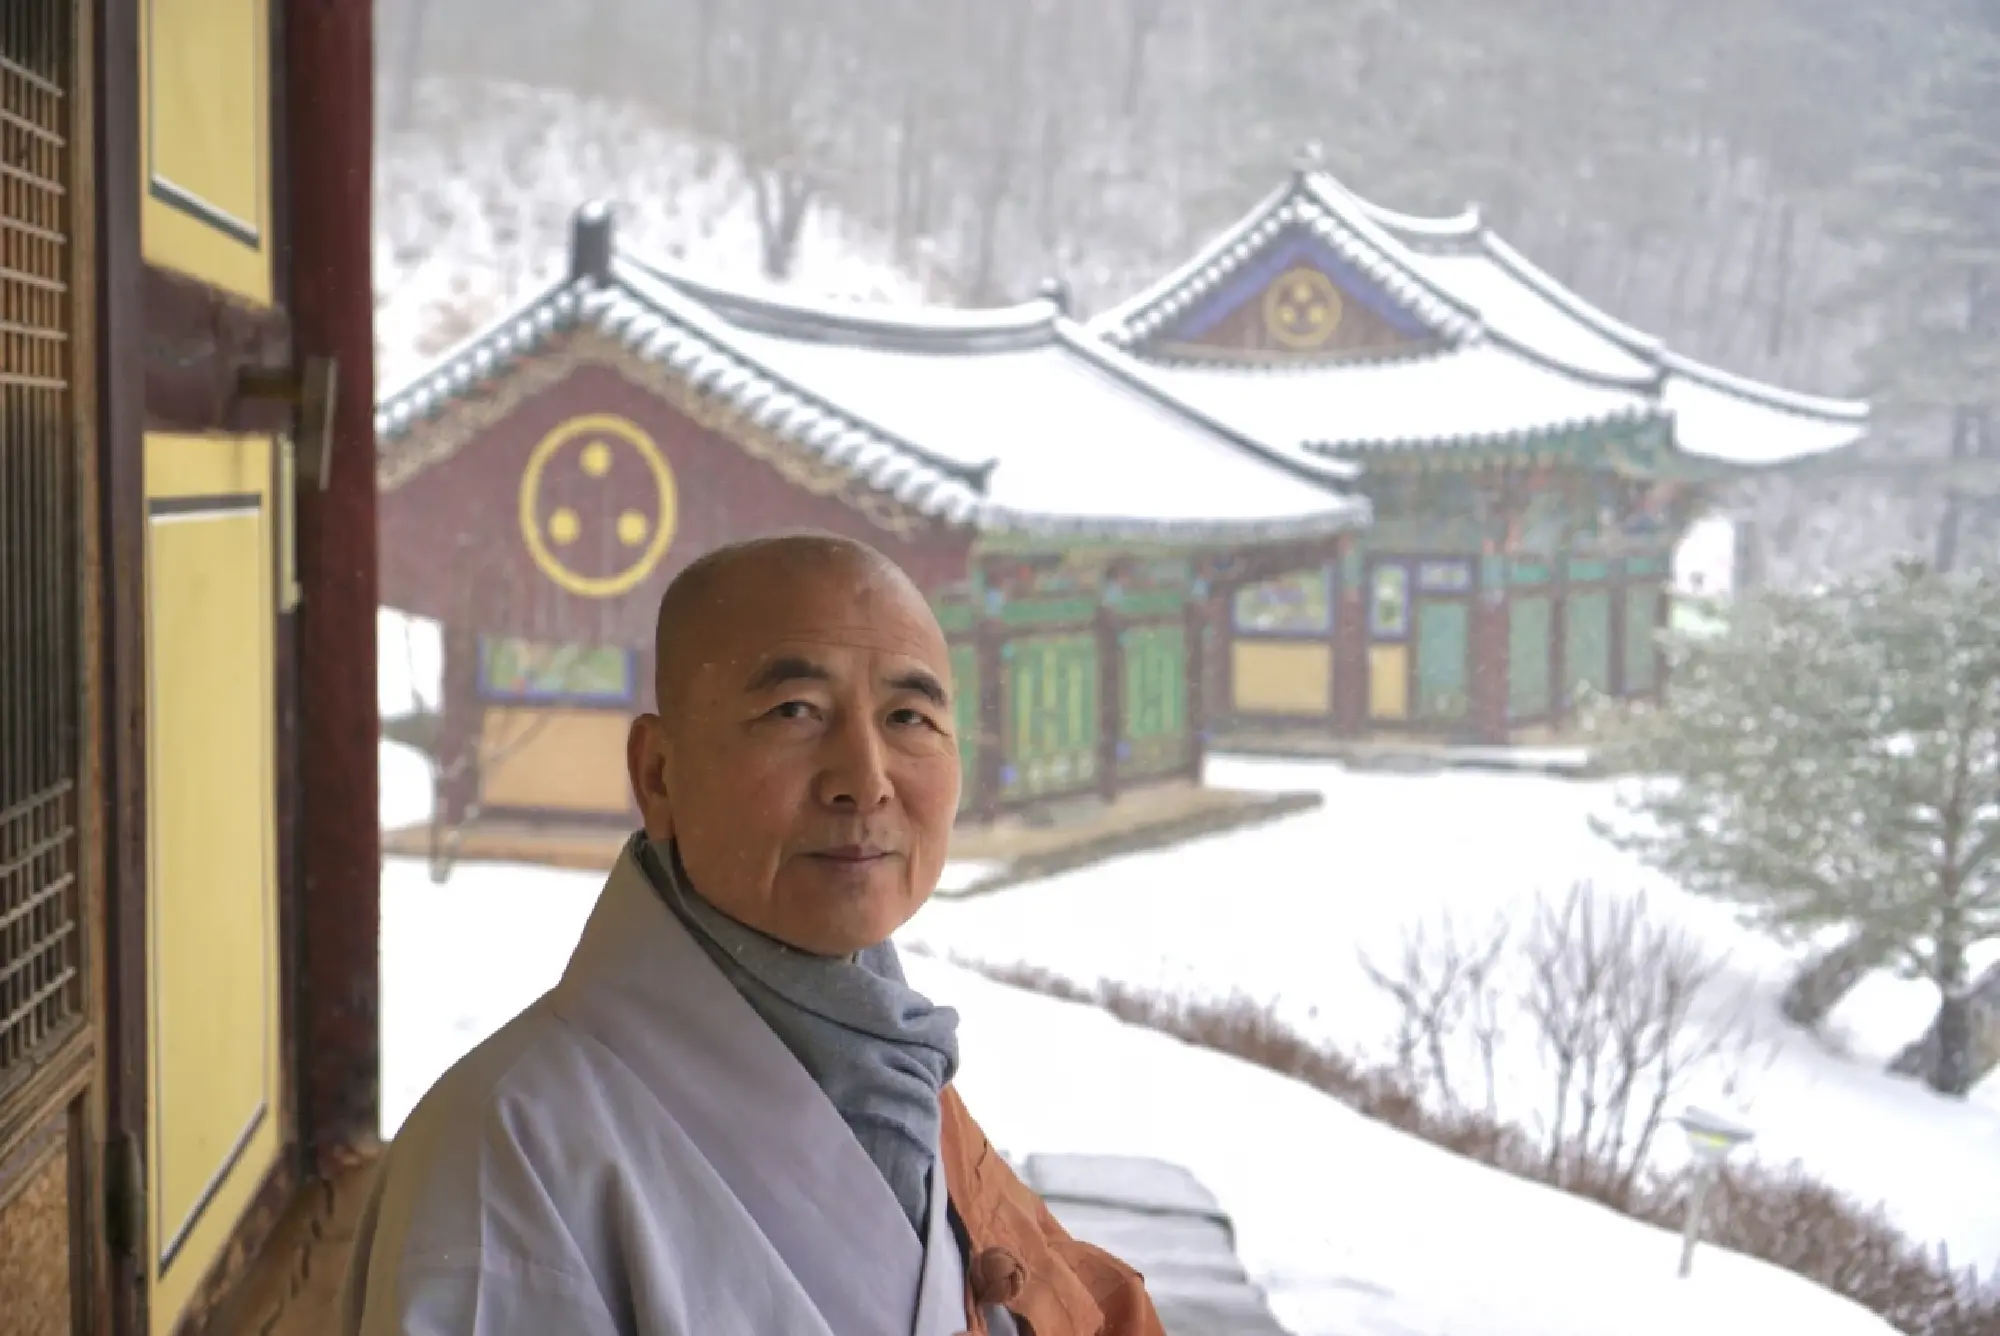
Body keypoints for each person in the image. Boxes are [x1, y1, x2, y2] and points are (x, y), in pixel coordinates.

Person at [339, 531, 1166, 1336]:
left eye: (909, 717)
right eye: (794, 711)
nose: (864, 780)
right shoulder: (507, 1152)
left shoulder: (901, 1073)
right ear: (659, 775)